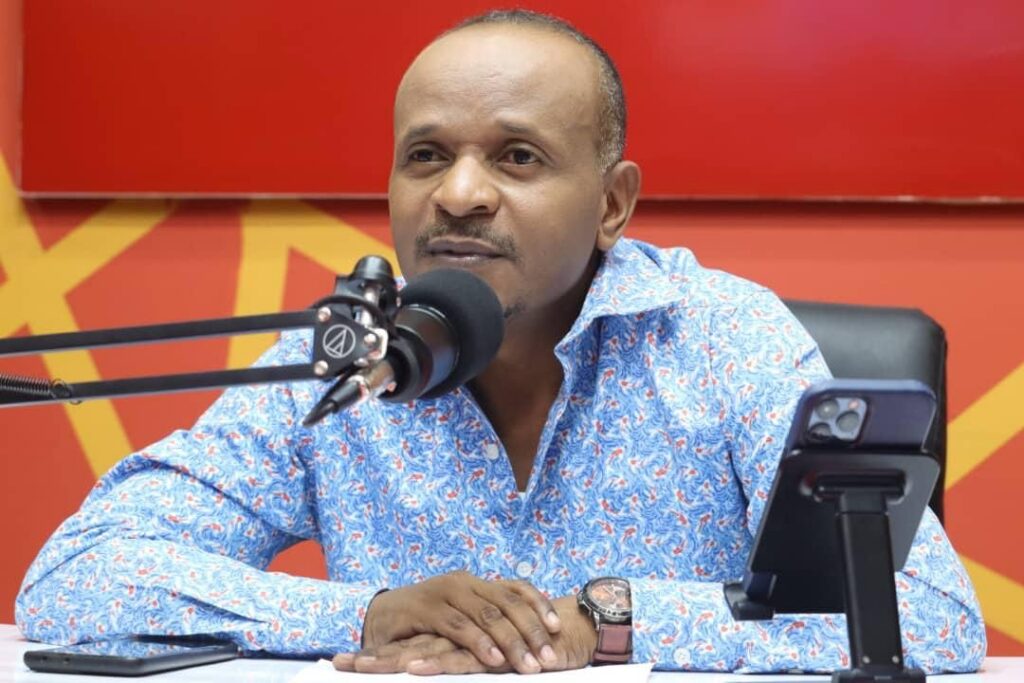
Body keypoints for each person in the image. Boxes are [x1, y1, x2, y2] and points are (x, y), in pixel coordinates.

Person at [17, 9, 985, 675]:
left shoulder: (722, 338)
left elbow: (930, 615)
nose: (458, 193)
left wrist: (604, 622)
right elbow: (75, 580)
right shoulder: (350, 359)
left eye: (517, 157)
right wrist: (367, 612)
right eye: (425, 155)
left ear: (612, 204)